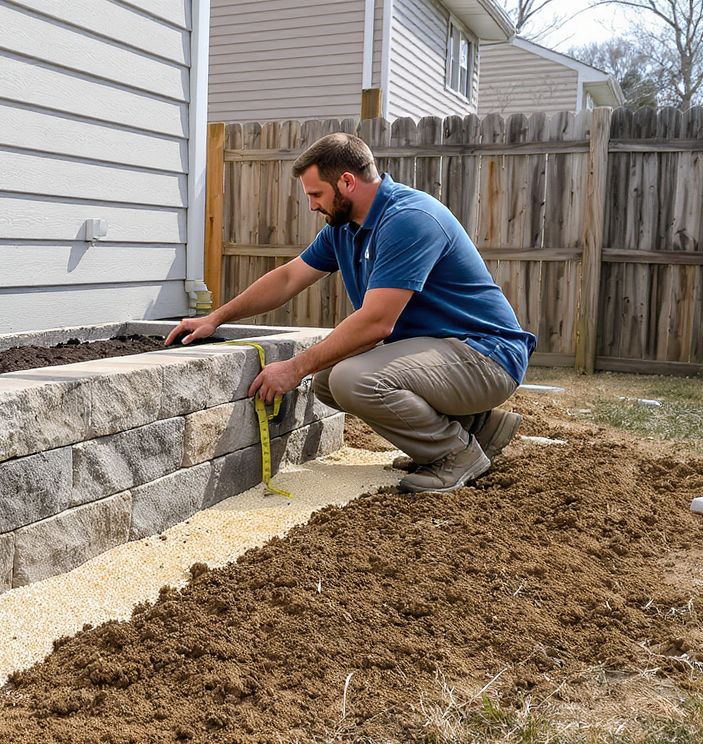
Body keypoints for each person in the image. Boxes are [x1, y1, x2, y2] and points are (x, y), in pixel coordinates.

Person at [167, 133, 536, 493]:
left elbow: (377, 323)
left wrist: (295, 368)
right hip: (445, 351)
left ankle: (455, 453)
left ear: (346, 182)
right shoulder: (344, 228)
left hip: (487, 355)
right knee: (329, 380)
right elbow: (287, 278)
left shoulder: (409, 219)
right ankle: (477, 427)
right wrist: (216, 317)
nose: (312, 206)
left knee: (352, 380)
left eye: (316, 194)